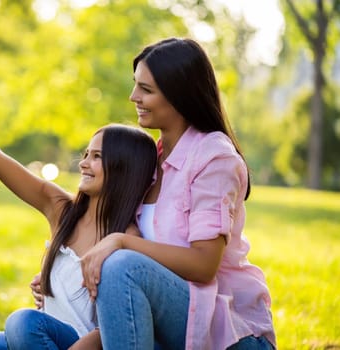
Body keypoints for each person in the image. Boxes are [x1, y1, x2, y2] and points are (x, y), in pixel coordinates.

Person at [32, 38, 277, 349]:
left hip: (223, 331)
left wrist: (120, 242)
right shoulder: (150, 159)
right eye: (136, 85)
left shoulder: (214, 158)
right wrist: (58, 277)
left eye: (146, 90)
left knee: (121, 265)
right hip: (157, 320)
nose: (134, 96)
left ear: (180, 95)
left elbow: (203, 265)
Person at [0, 73, 158, 350]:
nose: (84, 163)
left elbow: (117, 326)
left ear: (125, 168)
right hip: (38, 339)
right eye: (86, 154)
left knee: (22, 322)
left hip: (79, 345)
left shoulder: (127, 240)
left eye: (97, 157)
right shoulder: (62, 209)